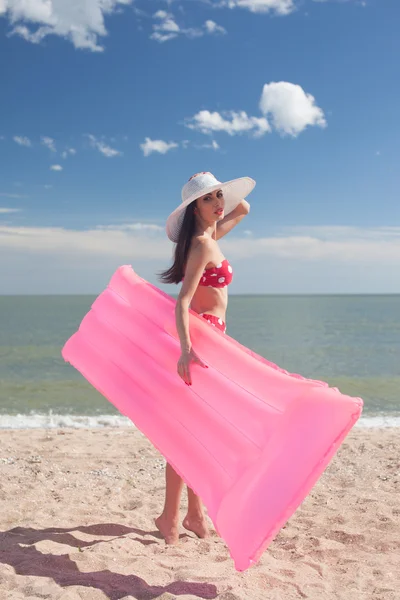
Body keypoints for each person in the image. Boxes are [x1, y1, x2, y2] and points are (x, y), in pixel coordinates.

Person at [155, 171, 256, 545]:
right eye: (209, 199)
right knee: (188, 434)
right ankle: (170, 517)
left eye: (218, 197)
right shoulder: (201, 243)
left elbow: (243, 205)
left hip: (214, 337)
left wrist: (218, 197)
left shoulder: (210, 236)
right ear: (193, 208)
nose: (219, 204)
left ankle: (194, 515)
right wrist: (185, 348)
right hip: (201, 342)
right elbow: (182, 301)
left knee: (197, 434)